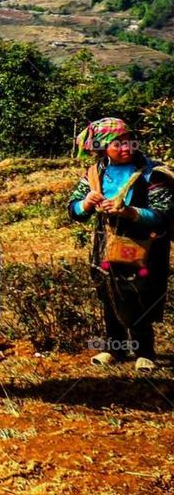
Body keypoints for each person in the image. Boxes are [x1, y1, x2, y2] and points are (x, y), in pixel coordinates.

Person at [69, 118, 172, 372]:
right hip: (106, 244)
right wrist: (87, 203)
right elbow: (73, 209)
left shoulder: (152, 173)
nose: (126, 148)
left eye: (128, 142)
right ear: (103, 148)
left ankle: (144, 351)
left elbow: (163, 214)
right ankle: (113, 347)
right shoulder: (94, 173)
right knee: (109, 294)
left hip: (143, 247)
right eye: (117, 144)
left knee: (138, 295)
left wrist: (130, 212)